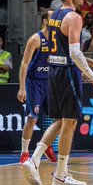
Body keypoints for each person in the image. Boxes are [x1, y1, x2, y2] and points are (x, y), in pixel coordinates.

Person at [21, 0, 93, 185]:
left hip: (53, 71)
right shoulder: (75, 17)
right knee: (70, 122)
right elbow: (74, 52)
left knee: (61, 120)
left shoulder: (55, 15)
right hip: (68, 72)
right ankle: (57, 174)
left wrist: (92, 61)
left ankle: (38, 161)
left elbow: (61, 47)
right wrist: (91, 75)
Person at [16, 10, 62, 171]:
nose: (56, 20)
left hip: (51, 82)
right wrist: (22, 87)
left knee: (61, 119)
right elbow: (24, 64)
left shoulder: (58, 39)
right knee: (32, 118)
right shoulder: (36, 39)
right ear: (44, 21)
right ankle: (24, 153)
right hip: (34, 83)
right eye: (52, 18)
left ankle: (45, 144)